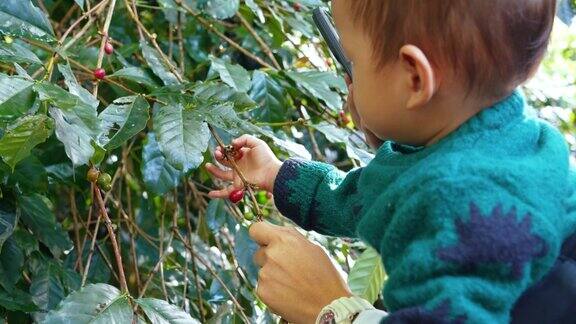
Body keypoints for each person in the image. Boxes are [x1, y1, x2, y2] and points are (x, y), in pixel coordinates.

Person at [206, 0, 576, 323]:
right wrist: (276, 174)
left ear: (414, 79)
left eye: (353, 58)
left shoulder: (456, 207)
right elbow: (375, 198)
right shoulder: (506, 136)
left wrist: (332, 309)